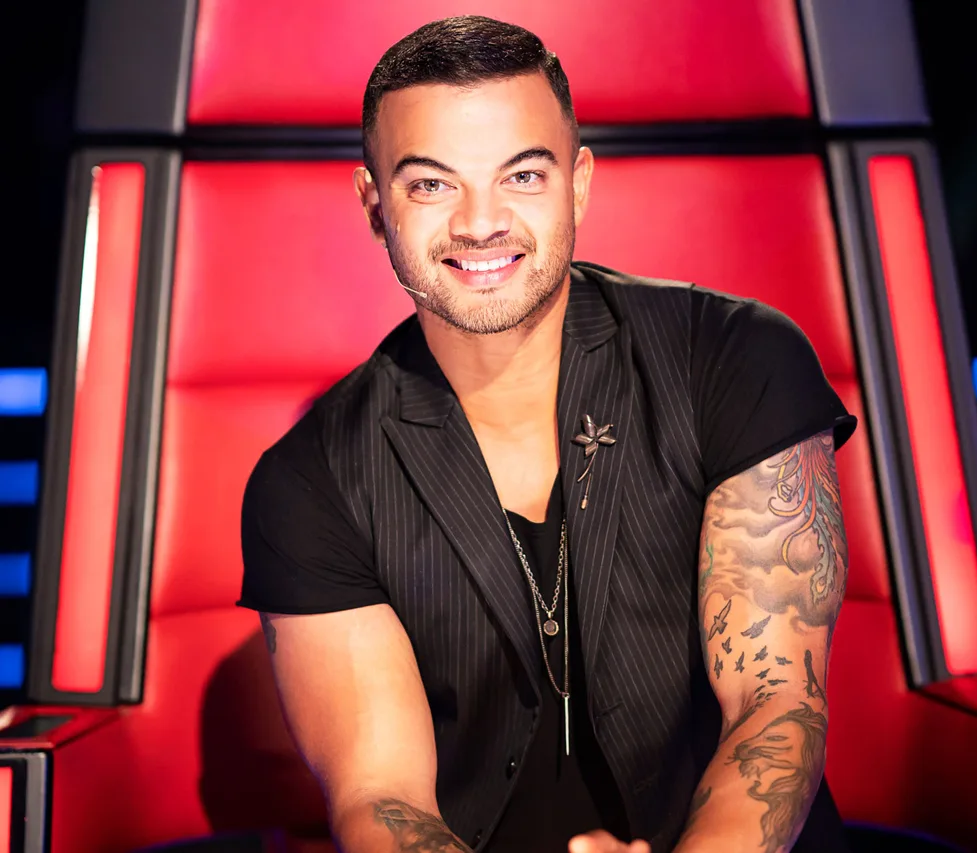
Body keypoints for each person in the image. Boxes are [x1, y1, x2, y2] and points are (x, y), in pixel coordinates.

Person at [239, 15, 857, 853]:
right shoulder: (312, 477)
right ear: (374, 204)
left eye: (522, 175)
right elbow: (380, 796)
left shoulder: (735, 358)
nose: (481, 222)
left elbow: (778, 704)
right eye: (430, 185)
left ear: (578, 183)